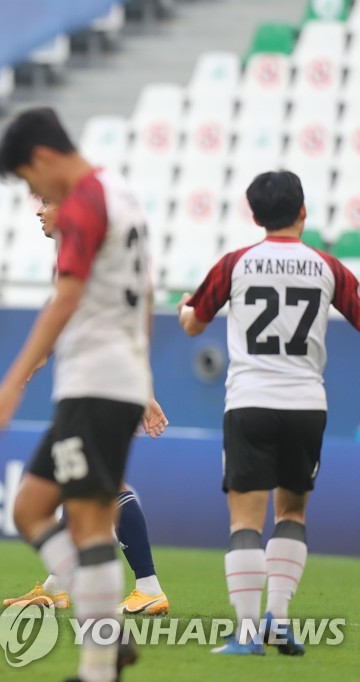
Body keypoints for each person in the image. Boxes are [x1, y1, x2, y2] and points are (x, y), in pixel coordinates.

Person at [0, 107, 151, 682]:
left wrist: (10, 382)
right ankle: (106, 636)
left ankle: (99, 661)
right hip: (112, 379)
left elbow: (67, 298)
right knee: (33, 508)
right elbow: (144, 295)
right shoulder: (121, 194)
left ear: (45, 158)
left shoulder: (83, 202)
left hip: (95, 381)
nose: (36, 196)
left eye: (31, 182)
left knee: (86, 523)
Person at [177, 170, 360, 655]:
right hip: (306, 404)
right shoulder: (327, 266)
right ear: (303, 212)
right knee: (293, 512)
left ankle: (246, 632)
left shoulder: (236, 263)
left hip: (251, 402)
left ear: (255, 216)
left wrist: (182, 309)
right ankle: (279, 618)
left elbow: (194, 324)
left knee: (244, 521)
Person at [3, 200, 170, 617]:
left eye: (44, 202)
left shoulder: (78, 250)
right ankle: (61, 588)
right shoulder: (90, 250)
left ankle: (142, 588)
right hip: (102, 384)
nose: (37, 211)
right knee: (81, 486)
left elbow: (85, 318)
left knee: (93, 490)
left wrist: (24, 368)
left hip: (97, 387)